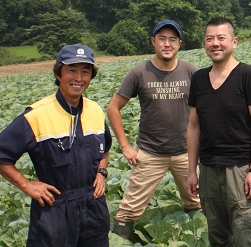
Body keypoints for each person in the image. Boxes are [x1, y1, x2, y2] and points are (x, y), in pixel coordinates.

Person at [0, 44, 112, 246]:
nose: (79, 78)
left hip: (93, 209)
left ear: (91, 76)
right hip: (55, 212)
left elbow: (106, 147)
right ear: (58, 74)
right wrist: (27, 185)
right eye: (71, 70)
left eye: (85, 71)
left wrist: (102, 172)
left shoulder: (95, 111)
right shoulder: (37, 115)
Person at [107, 19, 201, 238]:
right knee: (128, 211)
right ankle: (121, 240)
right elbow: (113, 108)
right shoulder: (139, 72)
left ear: (179, 44)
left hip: (185, 153)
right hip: (149, 153)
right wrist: (125, 146)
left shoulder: (191, 72)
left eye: (172, 40)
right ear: (153, 42)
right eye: (162, 39)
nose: (167, 44)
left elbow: (205, 110)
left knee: (196, 201)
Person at [186, 17, 251, 247]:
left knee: (245, 235)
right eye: (209, 39)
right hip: (209, 170)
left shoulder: (248, 75)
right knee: (218, 236)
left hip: (240, 170)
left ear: (234, 42)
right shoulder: (199, 79)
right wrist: (192, 170)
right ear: (204, 44)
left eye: (221, 38)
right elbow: (193, 127)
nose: (215, 43)